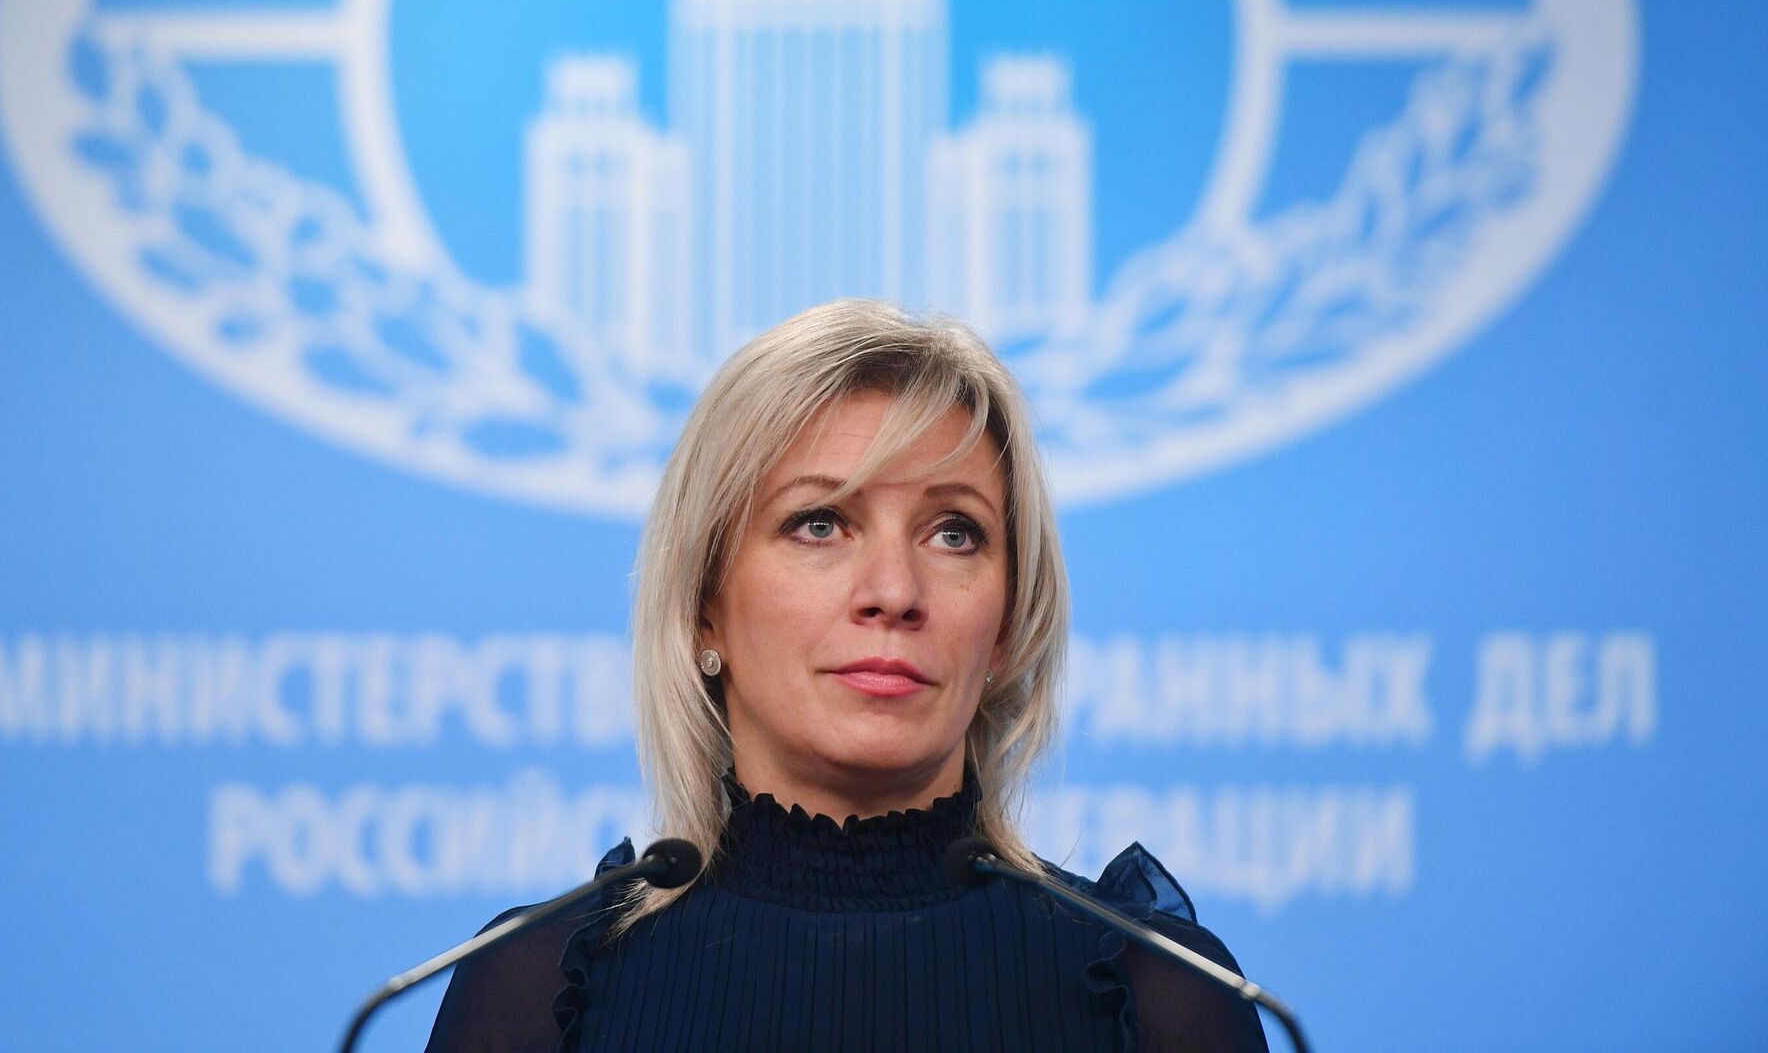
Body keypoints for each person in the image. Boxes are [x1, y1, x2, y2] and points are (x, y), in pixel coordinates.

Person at [426, 300, 1268, 1052]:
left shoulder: (1160, 995)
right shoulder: (538, 992)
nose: (895, 592)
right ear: (703, 609)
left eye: (954, 534)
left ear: (1008, 629)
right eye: (820, 524)